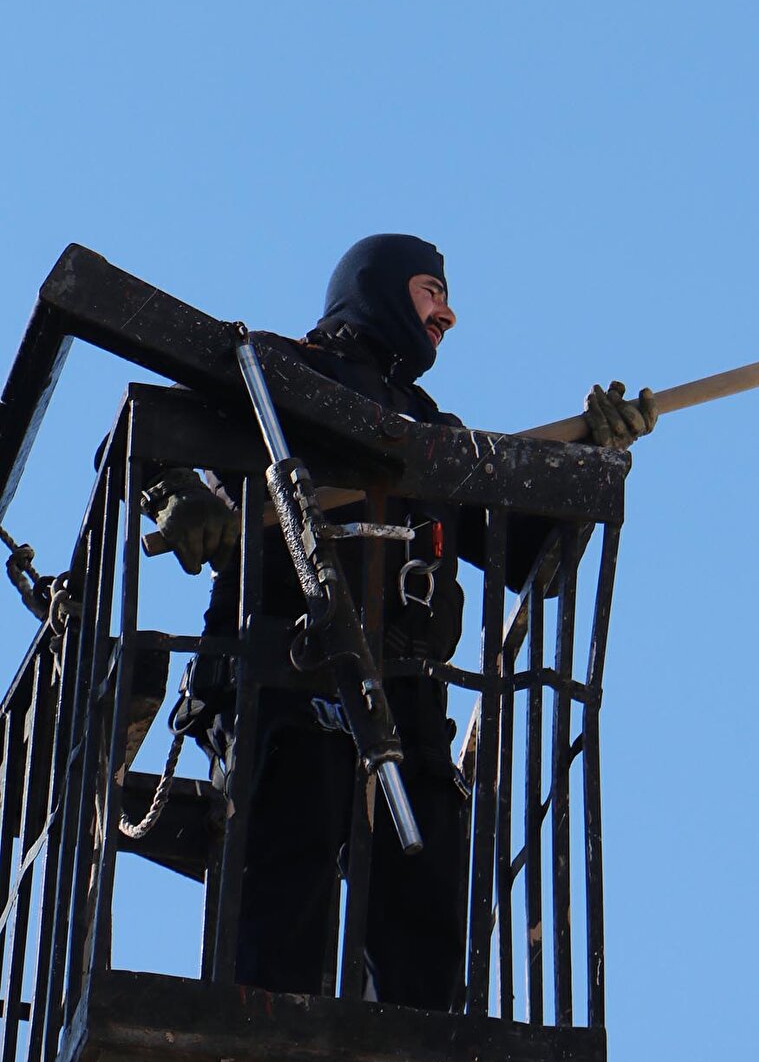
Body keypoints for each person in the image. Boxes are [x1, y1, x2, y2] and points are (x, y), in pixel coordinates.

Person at [141, 233, 656, 1007]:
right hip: (290, 675)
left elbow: (536, 566)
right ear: (376, 288)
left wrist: (593, 466)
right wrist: (177, 496)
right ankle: (264, 1037)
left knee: (427, 896)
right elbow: (157, 437)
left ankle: (416, 1040)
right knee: (287, 873)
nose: (448, 312)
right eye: (430, 290)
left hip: (407, 699)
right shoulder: (279, 372)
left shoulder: (435, 437)